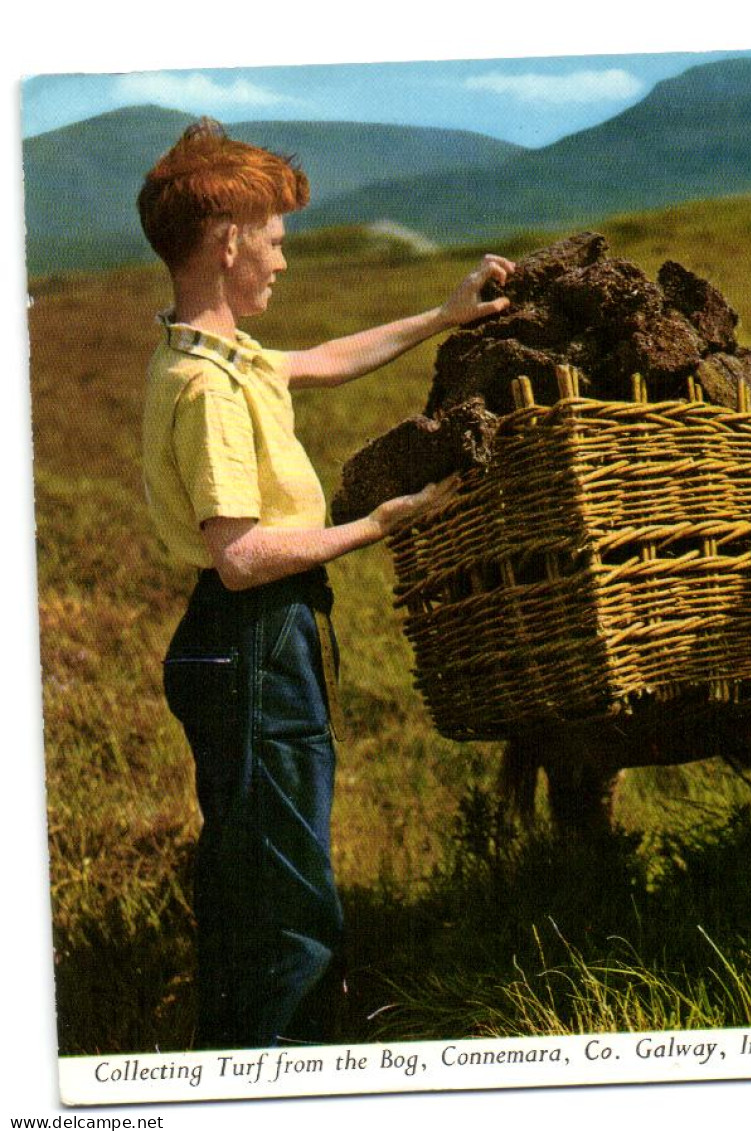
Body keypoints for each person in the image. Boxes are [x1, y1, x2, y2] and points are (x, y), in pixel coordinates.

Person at [138, 118, 515, 1048]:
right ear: (228, 244)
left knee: (247, 874)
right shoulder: (209, 391)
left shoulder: (213, 353)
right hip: (255, 632)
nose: (282, 261)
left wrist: (443, 315)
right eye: (273, 240)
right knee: (291, 897)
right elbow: (243, 554)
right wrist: (378, 526)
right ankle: (289, 1067)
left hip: (235, 637)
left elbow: (325, 358)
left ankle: (226, 1059)